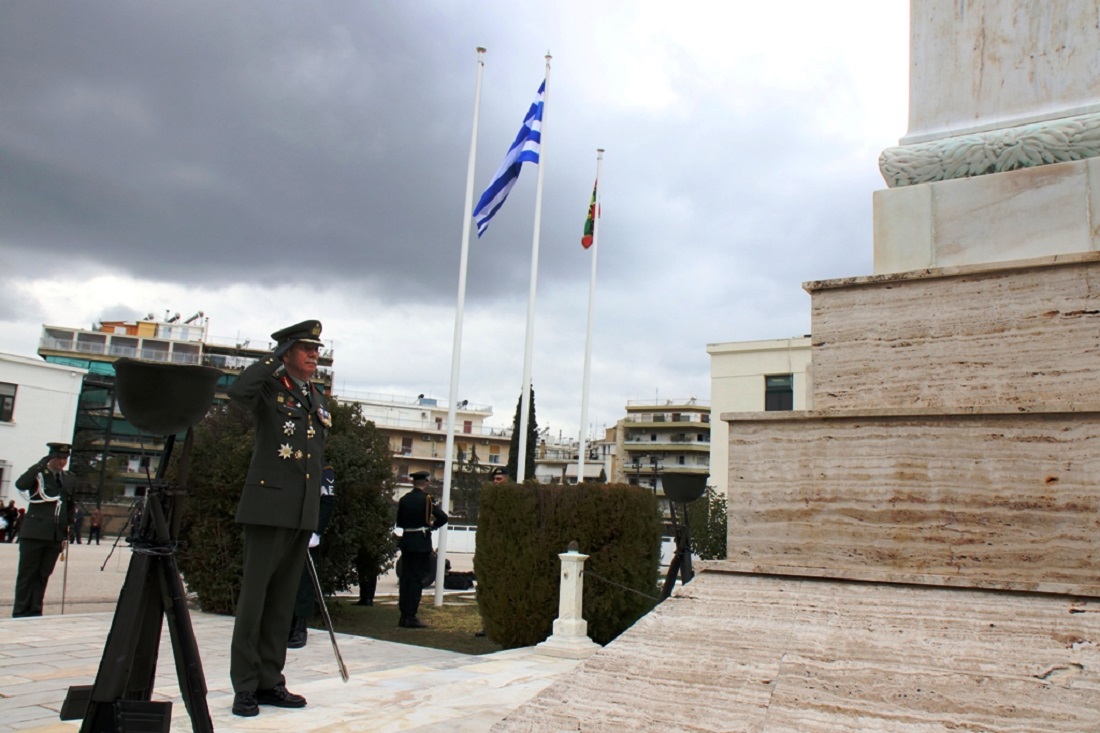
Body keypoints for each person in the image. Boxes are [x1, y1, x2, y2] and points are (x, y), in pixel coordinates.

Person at [227, 319, 328, 718]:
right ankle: (245, 686)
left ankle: (270, 680)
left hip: (301, 511)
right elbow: (238, 391)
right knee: (254, 602)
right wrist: (274, 360)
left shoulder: (316, 396)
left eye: (316, 350)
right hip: (268, 508)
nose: (314, 355)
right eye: (305, 348)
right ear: (287, 352)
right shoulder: (270, 387)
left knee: (282, 605)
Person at [12, 442, 75, 617]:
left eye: (65, 458)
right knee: (27, 574)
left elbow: (69, 504)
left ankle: (35, 610)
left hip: (55, 535)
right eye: (58, 457)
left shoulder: (69, 478)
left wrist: (68, 526)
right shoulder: (38, 475)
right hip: (34, 533)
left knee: (43, 575)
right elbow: (21, 484)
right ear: (50, 457)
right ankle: (20, 611)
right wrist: (40, 465)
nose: (62, 462)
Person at [287, 465, 336, 649]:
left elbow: (327, 502)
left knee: (304, 581)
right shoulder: (291, 464)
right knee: (285, 580)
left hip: (307, 532)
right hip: (287, 530)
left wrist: (316, 531)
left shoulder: (323, 469)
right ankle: (285, 625)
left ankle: (300, 627)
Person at [395, 470, 448, 628]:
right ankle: (410, 616)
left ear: (413, 483)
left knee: (405, 578)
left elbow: (400, 522)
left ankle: (403, 614)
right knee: (416, 580)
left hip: (407, 541)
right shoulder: (427, 499)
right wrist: (432, 526)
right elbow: (443, 517)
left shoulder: (404, 499)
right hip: (420, 542)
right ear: (426, 482)